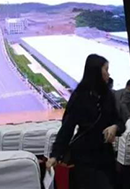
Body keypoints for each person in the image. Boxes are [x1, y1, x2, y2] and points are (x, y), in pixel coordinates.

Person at [47, 54, 124, 189]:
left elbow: (120, 121)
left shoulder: (108, 95)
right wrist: (55, 155)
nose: (108, 74)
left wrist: (115, 127)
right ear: (96, 72)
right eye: (106, 69)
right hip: (84, 156)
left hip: (106, 156)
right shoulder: (79, 96)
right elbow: (67, 128)